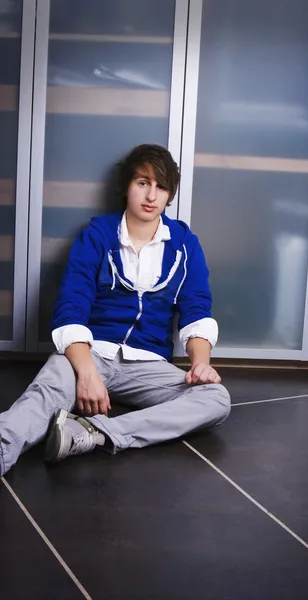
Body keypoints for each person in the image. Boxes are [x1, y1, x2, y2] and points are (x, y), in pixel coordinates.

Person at [0, 144, 230, 476]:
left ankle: (93, 433)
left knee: (216, 399)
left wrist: (201, 365)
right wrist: (87, 373)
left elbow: (196, 308)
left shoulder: (184, 244)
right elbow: (72, 305)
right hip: (90, 353)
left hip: (149, 365)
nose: (151, 195)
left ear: (169, 195)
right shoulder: (97, 235)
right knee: (51, 385)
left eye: (161, 187)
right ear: (127, 186)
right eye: (142, 182)